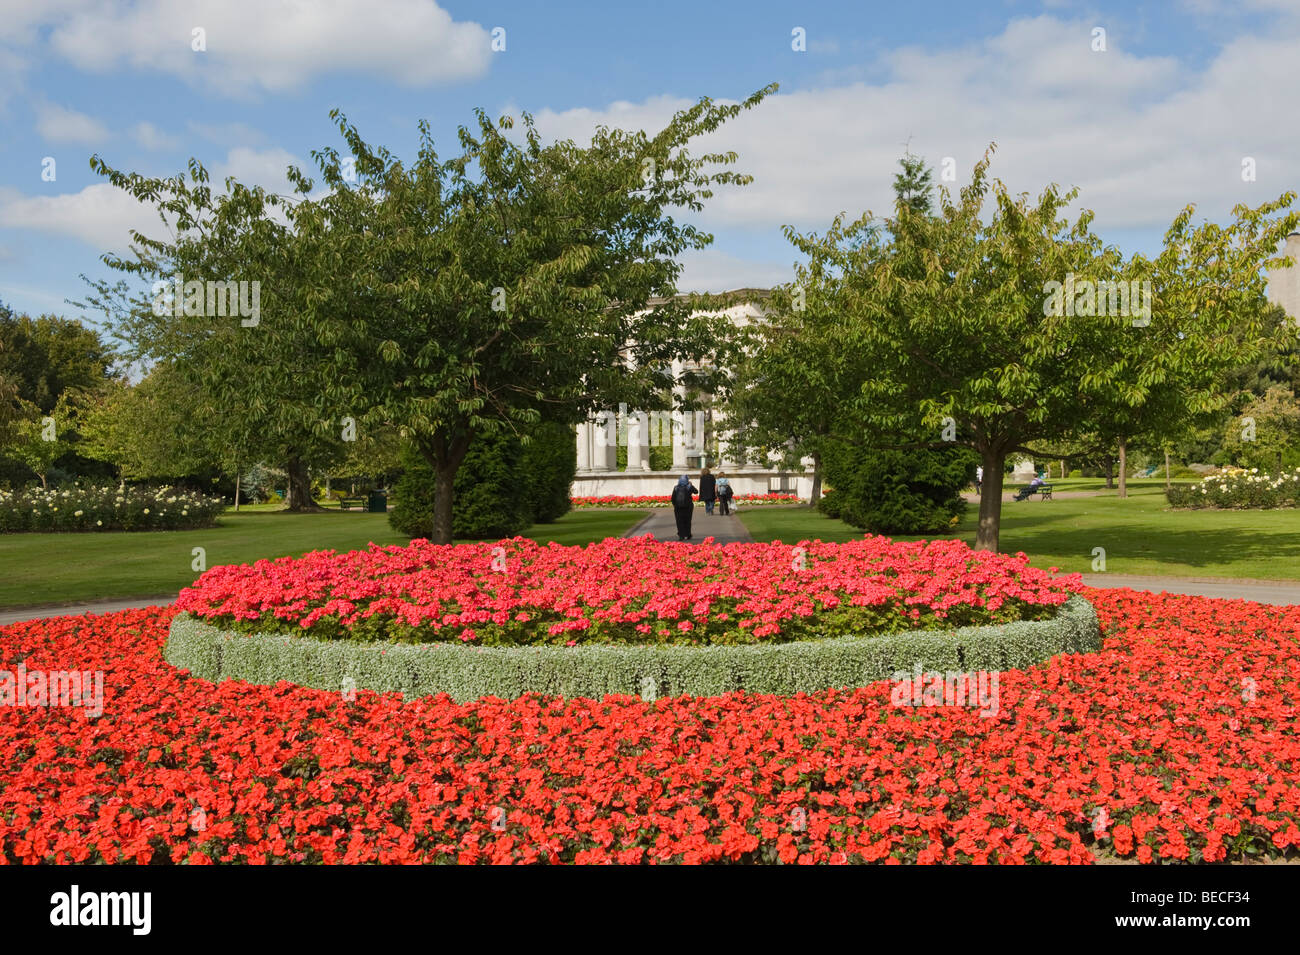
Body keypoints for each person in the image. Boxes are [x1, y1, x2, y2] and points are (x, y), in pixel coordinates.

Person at [670, 474, 698, 540]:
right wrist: (691, 485)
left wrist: (675, 505)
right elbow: (696, 492)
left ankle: (681, 535)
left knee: (679, 521)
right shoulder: (689, 487)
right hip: (688, 507)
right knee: (688, 521)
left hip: (678, 507)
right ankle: (688, 534)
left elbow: (673, 498)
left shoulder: (676, 487)